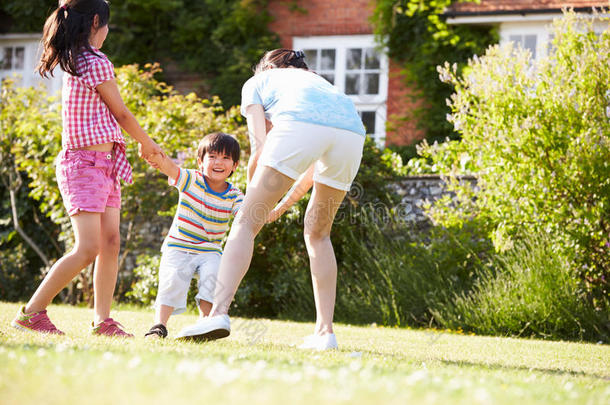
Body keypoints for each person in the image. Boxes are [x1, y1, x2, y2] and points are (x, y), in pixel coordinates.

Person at [177, 49, 366, 350]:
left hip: (302, 128)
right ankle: (325, 334)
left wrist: (251, 203)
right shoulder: (321, 87)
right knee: (318, 234)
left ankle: (217, 314)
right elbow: (310, 174)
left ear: (266, 69)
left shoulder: (258, 82)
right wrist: (276, 208)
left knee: (244, 224)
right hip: (353, 134)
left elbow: (259, 144)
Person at [12, 0, 163, 337]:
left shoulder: (79, 59)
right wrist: (147, 143)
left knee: (111, 242)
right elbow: (121, 113)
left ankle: (102, 320)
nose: (108, 32)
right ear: (97, 21)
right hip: (84, 165)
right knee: (89, 247)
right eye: (107, 25)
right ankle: (31, 313)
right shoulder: (92, 61)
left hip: (104, 165)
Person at [144, 133, 243, 339]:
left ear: (235, 165)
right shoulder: (191, 179)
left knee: (213, 278)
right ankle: (159, 326)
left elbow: (248, 216)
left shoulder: (234, 194)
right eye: (213, 156)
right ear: (200, 161)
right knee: (172, 281)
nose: (218, 162)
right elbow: (169, 167)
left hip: (210, 249)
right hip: (178, 245)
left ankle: (207, 324)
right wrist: (151, 150)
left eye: (226, 158)